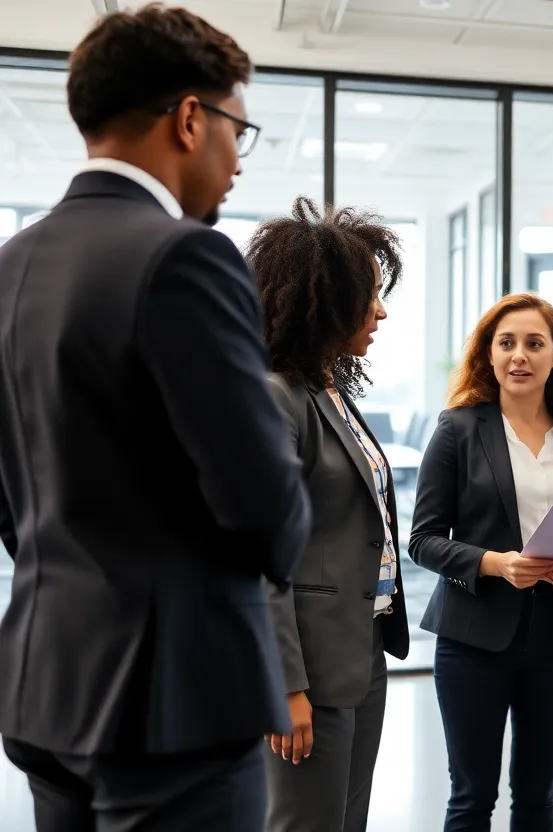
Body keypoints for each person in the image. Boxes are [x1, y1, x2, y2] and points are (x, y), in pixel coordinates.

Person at [0, 6, 311, 831]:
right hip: (173, 699)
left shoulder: (12, 264)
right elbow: (264, 509)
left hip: (44, 681)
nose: (237, 163)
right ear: (187, 118)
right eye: (237, 131)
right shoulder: (183, 255)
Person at [408, 293, 553, 832]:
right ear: (489, 355)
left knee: (538, 796)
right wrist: (495, 563)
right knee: (472, 797)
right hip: (474, 636)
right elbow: (423, 539)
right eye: (507, 344)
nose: (519, 355)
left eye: (534, 343)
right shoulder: (457, 429)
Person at [246, 197, 411, 832]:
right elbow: (261, 555)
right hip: (308, 667)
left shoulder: (330, 389)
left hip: (360, 648)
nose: (381, 310)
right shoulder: (274, 397)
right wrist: (285, 686)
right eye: (369, 295)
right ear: (323, 300)